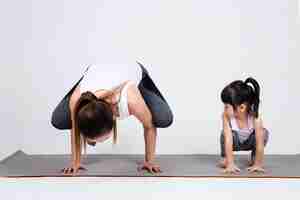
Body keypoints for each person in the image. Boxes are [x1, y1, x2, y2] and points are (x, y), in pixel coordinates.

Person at [51, 61, 173, 175]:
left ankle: (143, 79)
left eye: (102, 140)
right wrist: (75, 162)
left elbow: (149, 126)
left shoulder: (131, 100)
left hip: (130, 67)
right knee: (59, 120)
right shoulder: (77, 100)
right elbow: (75, 129)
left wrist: (149, 161)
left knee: (163, 118)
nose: (98, 143)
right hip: (97, 69)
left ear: (113, 118)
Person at [219, 77, 269, 174]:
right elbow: (228, 140)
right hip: (235, 142)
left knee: (263, 133)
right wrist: (230, 164)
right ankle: (226, 158)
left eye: (226, 107)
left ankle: (255, 158)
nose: (224, 109)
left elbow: (259, 142)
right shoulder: (226, 116)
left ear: (241, 107)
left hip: (249, 142)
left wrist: (258, 164)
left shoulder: (255, 118)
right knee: (224, 134)